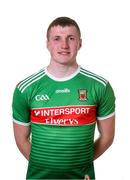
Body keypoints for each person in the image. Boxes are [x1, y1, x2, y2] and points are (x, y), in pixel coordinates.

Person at [12, 16, 115, 180]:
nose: (64, 45)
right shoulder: (25, 88)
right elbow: (21, 139)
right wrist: (47, 166)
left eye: (71, 38)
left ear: (80, 43)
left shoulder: (100, 86)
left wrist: (79, 163)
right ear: (47, 44)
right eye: (57, 38)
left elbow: (108, 137)